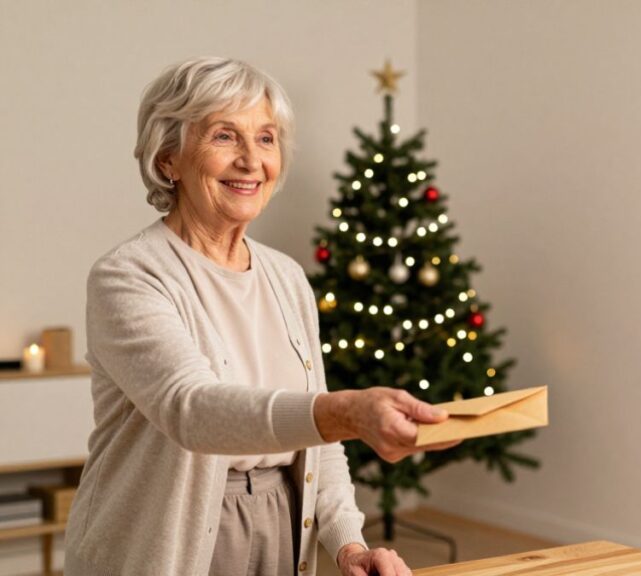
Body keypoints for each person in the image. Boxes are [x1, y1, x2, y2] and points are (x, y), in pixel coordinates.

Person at [64, 56, 457, 576]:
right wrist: (346, 411)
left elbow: (321, 444)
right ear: (168, 160)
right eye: (225, 137)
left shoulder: (287, 276)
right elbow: (194, 411)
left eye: (266, 138)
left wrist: (348, 544)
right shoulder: (129, 276)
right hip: (161, 535)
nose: (252, 160)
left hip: (280, 518)